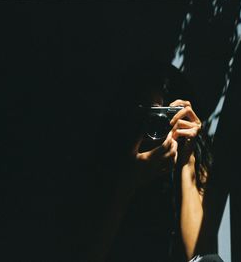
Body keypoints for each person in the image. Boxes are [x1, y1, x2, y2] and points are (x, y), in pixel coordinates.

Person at [89, 61, 220, 262]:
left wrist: (187, 163)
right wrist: (128, 181)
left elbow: (200, 257)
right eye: (145, 115)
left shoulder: (191, 161)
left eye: (161, 116)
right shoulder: (108, 161)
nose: (152, 126)